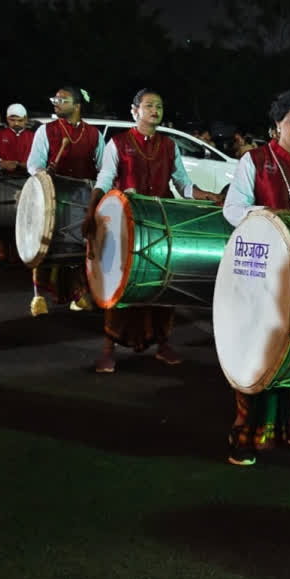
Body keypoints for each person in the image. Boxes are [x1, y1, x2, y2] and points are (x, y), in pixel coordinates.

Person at [222, 88, 290, 466]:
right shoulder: (255, 161)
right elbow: (232, 209)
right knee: (256, 353)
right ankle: (242, 433)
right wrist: (266, 214)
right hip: (258, 272)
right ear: (277, 126)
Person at [83, 89, 223, 374]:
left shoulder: (170, 145)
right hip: (127, 224)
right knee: (120, 287)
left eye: (159, 106)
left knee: (164, 284)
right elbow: (106, 178)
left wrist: (203, 194)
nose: (155, 110)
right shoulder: (118, 143)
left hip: (162, 223)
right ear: (134, 111)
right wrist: (92, 212)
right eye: (149, 106)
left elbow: (183, 184)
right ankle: (108, 349)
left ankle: (162, 344)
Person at [26, 86, 104, 314]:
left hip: (81, 199)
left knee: (77, 248)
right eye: (55, 98)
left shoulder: (93, 134)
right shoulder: (46, 131)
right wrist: (43, 172)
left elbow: (102, 168)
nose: (56, 102)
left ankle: (77, 295)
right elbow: (33, 164)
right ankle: (38, 297)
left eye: (62, 99)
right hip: (52, 197)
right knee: (44, 246)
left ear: (77, 105)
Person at [0, 103, 31, 263]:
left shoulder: (34, 137)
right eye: (13, 120)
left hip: (27, 183)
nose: (16, 123)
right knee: (2, 221)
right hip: (3, 183)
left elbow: (42, 161)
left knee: (25, 223)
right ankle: (4, 257)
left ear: (26, 119)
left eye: (20, 120)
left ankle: (22, 257)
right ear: (7, 119)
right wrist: (0, 164)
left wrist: (29, 165)